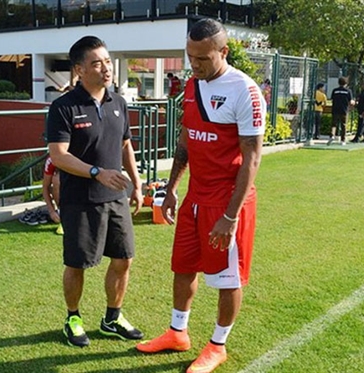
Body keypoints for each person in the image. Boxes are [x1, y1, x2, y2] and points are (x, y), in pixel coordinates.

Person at [136, 18, 266, 373]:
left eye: (203, 59)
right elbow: (186, 142)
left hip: (226, 201)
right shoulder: (192, 86)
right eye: (190, 57)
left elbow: (252, 157)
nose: (195, 65)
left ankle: (218, 345)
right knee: (183, 266)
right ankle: (178, 332)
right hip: (194, 198)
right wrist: (172, 189)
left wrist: (230, 215)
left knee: (228, 278)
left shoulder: (245, 90)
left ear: (223, 52)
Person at [46, 35, 144, 348]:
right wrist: (96, 173)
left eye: (107, 61)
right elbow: (59, 155)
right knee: (77, 263)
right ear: (79, 69)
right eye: (96, 63)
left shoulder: (119, 102)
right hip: (80, 200)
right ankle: (72, 318)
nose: (106, 68)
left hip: (116, 199)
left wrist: (136, 182)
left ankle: (112, 318)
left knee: (123, 259)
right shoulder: (63, 107)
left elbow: (125, 145)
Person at [328, 76, 354, 146]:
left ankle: (332, 135)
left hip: (335, 109)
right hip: (344, 110)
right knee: (343, 125)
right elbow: (351, 102)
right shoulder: (348, 91)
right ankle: (343, 140)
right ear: (346, 83)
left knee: (334, 124)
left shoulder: (335, 90)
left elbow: (332, 100)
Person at [42, 156, 64, 235]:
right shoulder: (51, 160)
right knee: (56, 180)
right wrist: (51, 211)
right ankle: (62, 213)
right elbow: (45, 187)